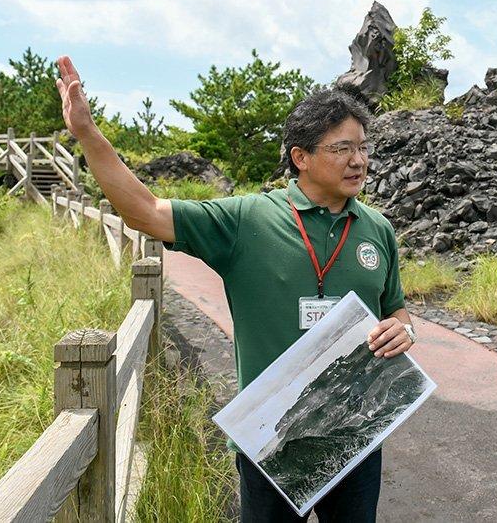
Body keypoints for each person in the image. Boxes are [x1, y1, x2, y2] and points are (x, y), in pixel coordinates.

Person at [55, 56, 417, 522]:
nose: (359, 160)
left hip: (356, 433)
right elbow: (144, 211)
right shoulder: (248, 220)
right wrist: (87, 133)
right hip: (270, 436)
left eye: (363, 147)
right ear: (300, 157)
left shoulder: (377, 229)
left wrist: (403, 331)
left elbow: (397, 310)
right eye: (342, 148)